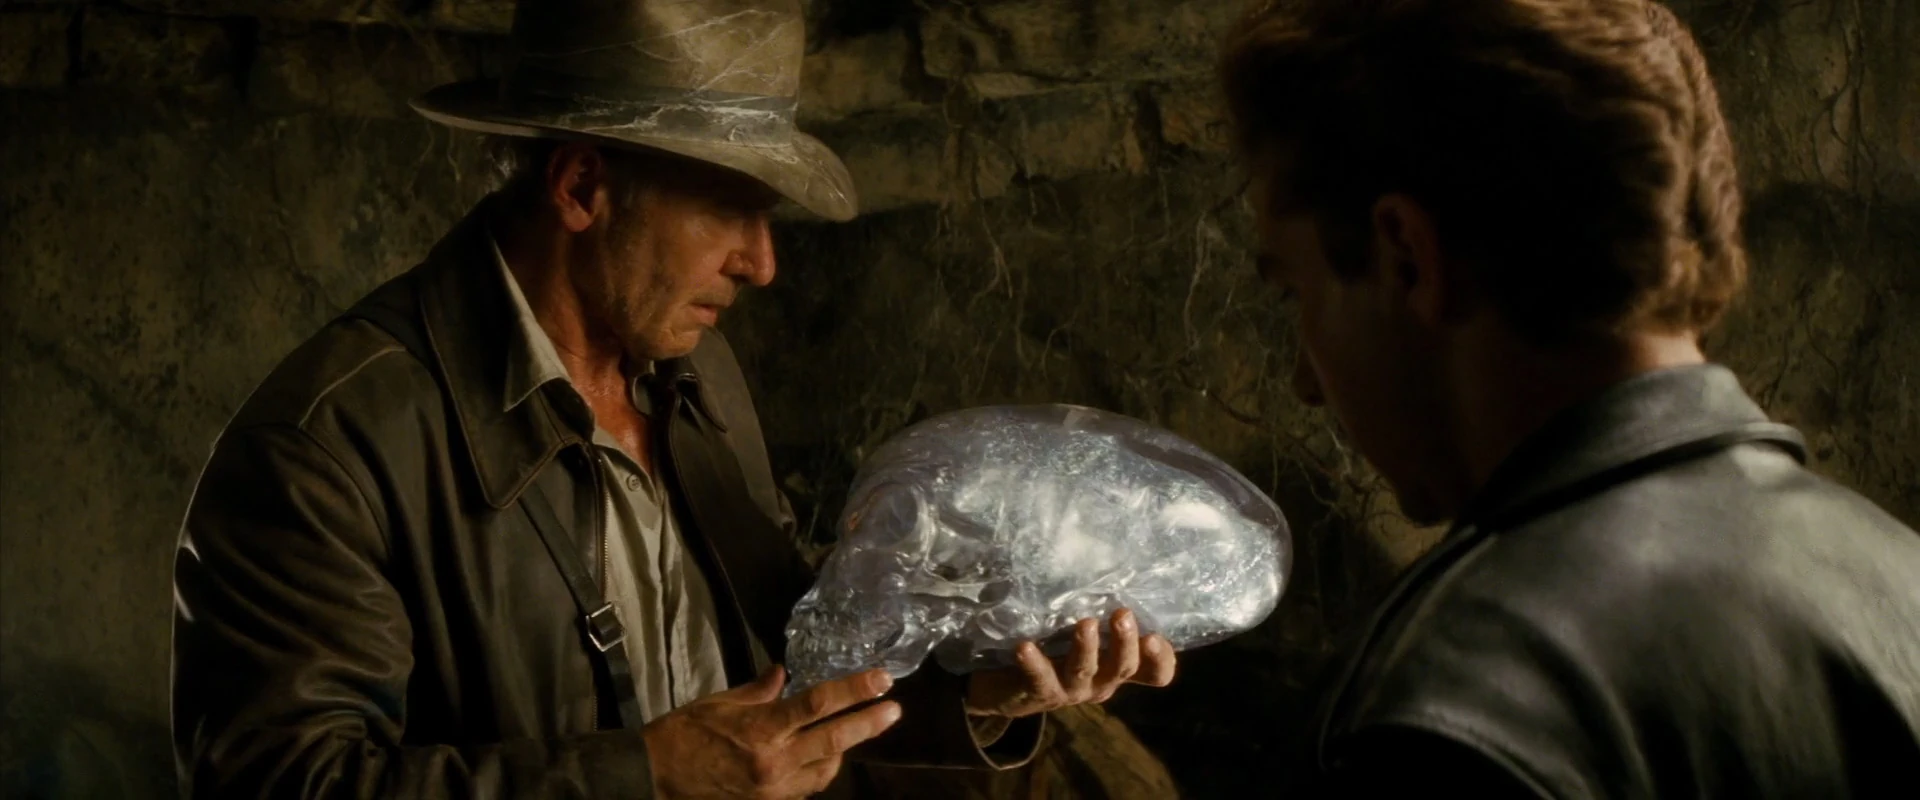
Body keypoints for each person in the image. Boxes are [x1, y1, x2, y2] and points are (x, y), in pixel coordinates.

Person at [168, 1, 1177, 797]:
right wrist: (644, 776)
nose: (763, 263)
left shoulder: (699, 377)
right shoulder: (325, 446)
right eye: (731, 207)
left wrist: (984, 688)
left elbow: (789, 679)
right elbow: (276, 781)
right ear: (580, 186)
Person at [1218, 0, 1920, 796]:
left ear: (1407, 257)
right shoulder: (1899, 582)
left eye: (1297, 293)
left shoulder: (1453, 705)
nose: (1306, 383)